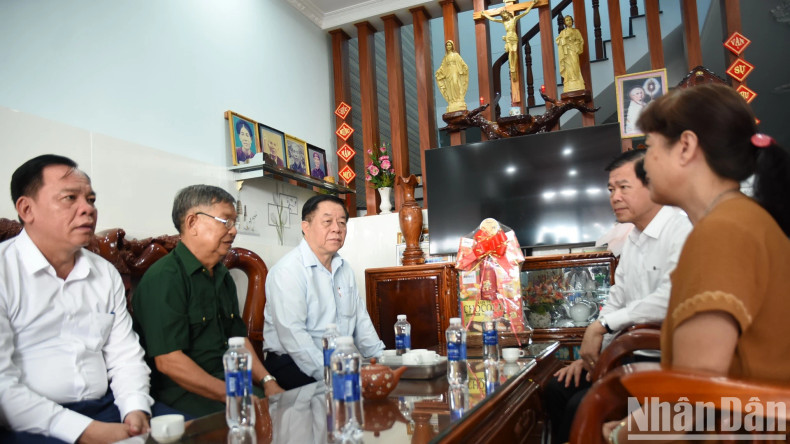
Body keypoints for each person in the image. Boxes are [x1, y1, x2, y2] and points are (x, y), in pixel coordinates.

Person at [603, 83, 790, 442]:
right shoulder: (739, 219)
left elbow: (691, 394)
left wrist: (623, 435)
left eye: (651, 147)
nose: (645, 164)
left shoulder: (722, 232)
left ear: (686, 147)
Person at [0, 155, 159, 443]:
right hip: (28, 422)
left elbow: (125, 356)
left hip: (108, 408)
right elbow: (3, 386)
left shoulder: (105, 274)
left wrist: (135, 409)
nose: (88, 209)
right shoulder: (4, 271)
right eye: (70, 198)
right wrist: (87, 432)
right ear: (27, 208)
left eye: (91, 199)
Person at [544, 149, 692, 444]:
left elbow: (673, 295)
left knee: (581, 405)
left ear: (653, 186)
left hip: (670, 363)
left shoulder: (681, 229)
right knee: (557, 388)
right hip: (629, 357)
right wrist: (592, 357)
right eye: (611, 189)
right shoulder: (633, 239)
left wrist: (601, 326)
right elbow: (617, 300)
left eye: (624, 187)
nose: (615, 197)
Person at [132, 185, 284, 418]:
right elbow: (168, 362)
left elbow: (239, 341)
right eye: (226, 221)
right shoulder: (165, 277)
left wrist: (267, 381)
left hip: (232, 386)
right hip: (183, 395)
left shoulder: (222, 277)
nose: (233, 231)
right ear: (192, 222)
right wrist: (230, 394)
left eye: (234, 223)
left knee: (291, 411)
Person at [263, 194, 385, 390]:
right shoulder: (288, 271)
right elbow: (294, 337)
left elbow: (362, 324)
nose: (337, 228)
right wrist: (332, 375)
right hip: (293, 364)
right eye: (327, 221)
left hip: (338, 363)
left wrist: (382, 362)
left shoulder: (344, 269)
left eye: (342, 222)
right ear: (306, 227)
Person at [481, 3, 536, 80]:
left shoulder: (514, 19)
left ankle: (514, 65)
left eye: (504, 15)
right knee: (511, 51)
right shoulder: (504, 22)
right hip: (508, 38)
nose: (504, 16)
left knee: (514, 51)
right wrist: (485, 15)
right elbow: (493, 19)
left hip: (514, 37)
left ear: (507, 13)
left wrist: (532, 4)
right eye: (503, 16)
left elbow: (525, 12)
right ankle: (512, 66)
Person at [434, 40, 469, 113]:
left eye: (450, 45)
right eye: (447, 45)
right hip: (448, 72)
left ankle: (458, 99)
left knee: (455, 83)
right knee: (450, 86)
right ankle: (452, 100)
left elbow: (462, 62)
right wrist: (438, 72)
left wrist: (465, 67)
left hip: (455, 70)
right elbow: (442, 66)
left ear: (452, 46)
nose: (448, 46)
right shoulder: (445, 57)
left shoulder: (456, 55)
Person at [555, 15, 586, 92]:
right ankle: (570, 80)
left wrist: (577, 46)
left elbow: (581, 40)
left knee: (575, 64)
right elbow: (558, 41)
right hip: (566, 52)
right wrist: (564, 39)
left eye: (570, 20)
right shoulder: (563, 32)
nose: (569, 21)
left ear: (572, 21)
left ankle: (576, 80)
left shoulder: (576, 31)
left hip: (573, 50)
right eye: (567, 20)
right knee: (568, 66)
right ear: (565, 23)